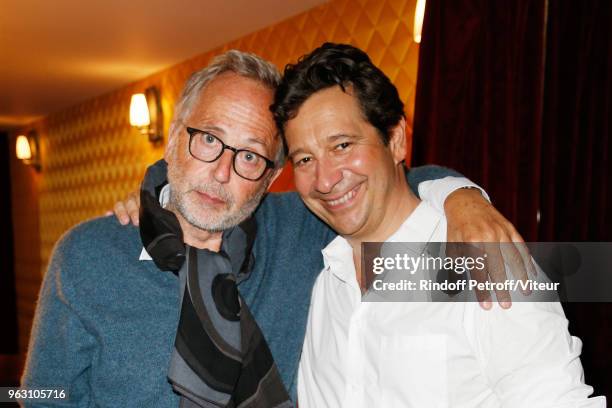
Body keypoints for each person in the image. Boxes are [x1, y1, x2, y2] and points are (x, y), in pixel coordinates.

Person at [24, 49, 526, 407]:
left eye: (250, 156)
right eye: (208, 140)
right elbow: (35, 393)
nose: (222, 172)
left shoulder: (300, 231)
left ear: (270, 179)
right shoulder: (87, 254)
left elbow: (387, 182)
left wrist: (463, 199)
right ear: (175, 139)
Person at [270, 42, 605, 407]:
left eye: (343, 146)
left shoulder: (484, 259)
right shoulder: (316, 279)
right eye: (304, 159)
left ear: (396, 140)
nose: (324, 179)